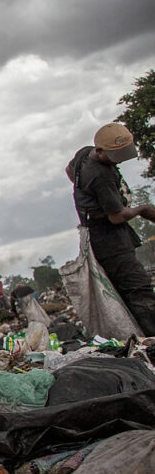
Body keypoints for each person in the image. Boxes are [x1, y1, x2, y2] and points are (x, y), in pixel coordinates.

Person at [66, 122, 155, 335]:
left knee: (127, 290)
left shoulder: (83, 155)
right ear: (99, 151)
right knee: (138, 290)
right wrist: (142, 209)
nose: (119, 160)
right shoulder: (100, 176)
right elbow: (116, 217)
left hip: (96, 237)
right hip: (110, 240)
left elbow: (69, 171)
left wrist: (87, 196)